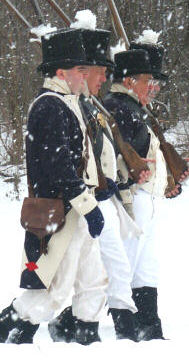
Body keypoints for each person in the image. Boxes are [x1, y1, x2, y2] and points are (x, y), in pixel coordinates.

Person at [0, 28, 109, 346]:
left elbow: (79, 158)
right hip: (61, 210)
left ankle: (88, 337)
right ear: (61, 72)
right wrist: (88, 205)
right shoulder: (49, 106)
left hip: (76, 204)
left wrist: (96, 188)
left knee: (93, 281)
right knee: (56, 290)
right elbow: (58, 166)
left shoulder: (66, 102)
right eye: (80, 70)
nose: (87, 75)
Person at [48, 25, 150, 342]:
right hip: (83, 199)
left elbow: (102, 151)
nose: (106, 78)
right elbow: (72, 157)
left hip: (102, 196)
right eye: (100, 71)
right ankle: (114, 325)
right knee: (57, 280)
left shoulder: (92, 105)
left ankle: (84, 329)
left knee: (91, 275)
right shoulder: (72, 105)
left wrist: (124, 169)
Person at [103, 41, 189, 340]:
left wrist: (167, 181)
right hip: (130, 200)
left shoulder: (133, 108)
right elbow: (116, 158)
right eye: (148, 81)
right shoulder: (120, 108)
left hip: (145, 198)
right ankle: (123, 328)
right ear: (129, 81)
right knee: (125, 265)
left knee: (144, 266)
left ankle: (148, 325)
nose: (154, 87)